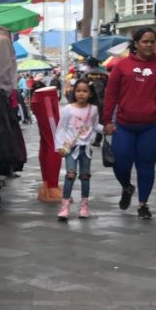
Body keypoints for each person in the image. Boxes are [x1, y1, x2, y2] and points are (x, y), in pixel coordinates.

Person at [102, 26, 156, 220]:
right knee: (120, 163)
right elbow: (111, 94)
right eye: (145, 41)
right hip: (124, 125)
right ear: (136, 43)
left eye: (152, 41)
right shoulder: (122, 66)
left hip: (153, 125)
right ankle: (127, 187)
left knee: (146, 165)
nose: (149, 45)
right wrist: (107, 120)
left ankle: (143, 204)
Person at [55, 79, 102, 220]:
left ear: (90, 94)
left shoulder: (93, 109)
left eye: (85, 91)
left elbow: (95, 126)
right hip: (71, 148)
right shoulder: (68, 109)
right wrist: (60, 146)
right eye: (78, 91)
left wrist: (106, 129)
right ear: (74, 92)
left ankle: (84, 206)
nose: (81, 94)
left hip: (86, 149)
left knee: (85, 177)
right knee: (70, 175)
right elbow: (61, 128)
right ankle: (65, 207)